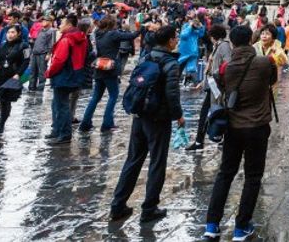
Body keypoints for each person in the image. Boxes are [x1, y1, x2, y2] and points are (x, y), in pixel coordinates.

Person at [204, 23, 278, 241]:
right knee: (253, 176)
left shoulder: (227, 67)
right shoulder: (265, 63)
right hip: (257, 127)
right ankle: (241, 227)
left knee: (225, 173)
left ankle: (211, 225)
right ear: (250, 41)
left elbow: (217, 86)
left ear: (233, 43)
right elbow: (272, 80)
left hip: (233, 127)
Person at [109, 25, 184, 224]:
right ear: (169, 41)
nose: (176, 40)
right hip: (158, 119)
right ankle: (149, 208)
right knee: (157, 162)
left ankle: (118, 205)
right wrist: (178, 116)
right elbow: (172, 94)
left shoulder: (146, 57)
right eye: (174, 38)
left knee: (132, 160)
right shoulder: (170, 63)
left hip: (140, 115)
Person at [80, 17, 139, 133]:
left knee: (95, 97)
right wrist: (140, 29)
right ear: (112, 25)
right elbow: (131, 36)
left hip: (99, 68)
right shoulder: (113, 34)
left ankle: (85, 123)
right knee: (113, 96)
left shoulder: (98, 33)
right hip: (110, 69)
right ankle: (107, 124)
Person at [187, 24, 232, 152]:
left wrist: (215, 75)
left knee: (216, 113)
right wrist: (204, 81)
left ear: (213, 36)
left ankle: (207, 140)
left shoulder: (224, 46)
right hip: (212, 86)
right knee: (207, 114)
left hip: (218, 87)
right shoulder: (218, 46)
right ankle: (200, 141)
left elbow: (227, 64)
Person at [45, 14, 88, 145]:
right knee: (59, 104)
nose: (59, 25)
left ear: (69, 25)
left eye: (62, 23)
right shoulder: (82, 37)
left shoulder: (66, 39)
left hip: (63, 75)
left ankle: (64, 134)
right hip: (75, 73)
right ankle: (58, 130)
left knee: (61, 105)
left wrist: (49, 72)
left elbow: (59, 60)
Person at [28, 15, 56, 91]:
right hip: (35, 52)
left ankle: (40, 89)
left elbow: (52, 43)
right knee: (33, 72)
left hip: (43, 54)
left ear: (50, 22)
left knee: (41, 73)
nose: (43, 22)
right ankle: (31, 87)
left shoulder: (52, 31)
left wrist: (49, 54)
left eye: (45, 20)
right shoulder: (41, 30)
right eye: (43, 20)